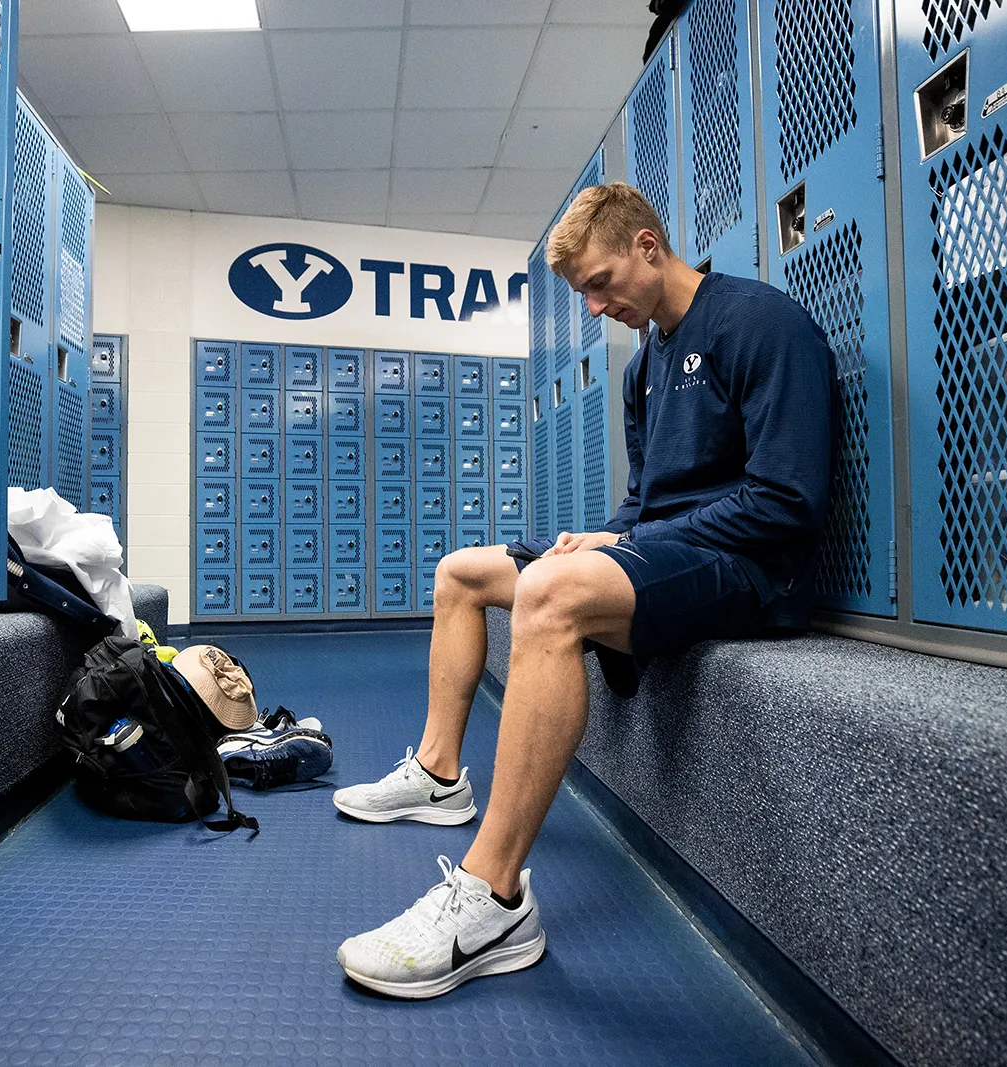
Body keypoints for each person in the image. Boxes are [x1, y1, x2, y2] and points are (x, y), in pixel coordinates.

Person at [332, 182, 841, 998]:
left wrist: (628, 544)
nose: (597, 308)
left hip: (750, 570)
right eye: (584, 295)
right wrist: (603, 536)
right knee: (461, 571)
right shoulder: (646, 367)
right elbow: (644, 501)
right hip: (669, 552)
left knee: (548, 595)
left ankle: (494, 896)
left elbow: (786, 501)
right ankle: (438, 773)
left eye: (601, 284)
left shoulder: (761, 323)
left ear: (648, 246)